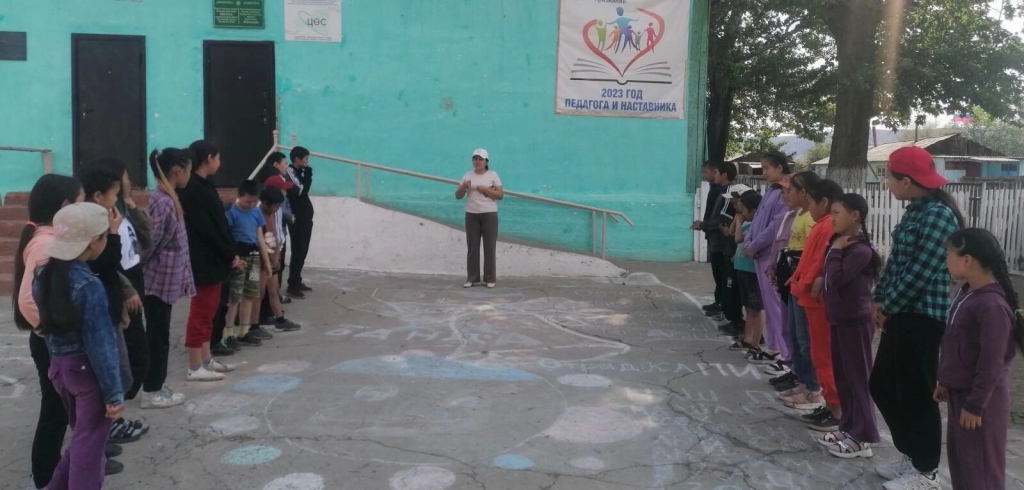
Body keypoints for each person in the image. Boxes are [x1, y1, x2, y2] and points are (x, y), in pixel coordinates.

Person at [870, 146, 964, 490]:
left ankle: (926, 470)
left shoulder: (938, 215)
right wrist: (878, 299)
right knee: (882, 386)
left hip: (923, 317)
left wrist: (889, 306)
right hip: (901, 313)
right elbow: (896, 263)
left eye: (889, 177)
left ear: (906, 181)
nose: (888, 183)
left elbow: (921, 272)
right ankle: (912, 453)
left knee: (917, 393)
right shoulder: (915, 211)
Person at [11, 175, 106, 488]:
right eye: (81, 200)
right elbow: (28, 300)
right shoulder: (45, 244)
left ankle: (74, 462)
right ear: (66, 206)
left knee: (67, 412)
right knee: (55, 412)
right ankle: (45, 475)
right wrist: (53, 330)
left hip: (55, 340)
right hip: (53, 342)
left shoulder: (53, 240)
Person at [33, 202, 128, 490]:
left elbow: (47, 328)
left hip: (61, 370)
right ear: (94, 241)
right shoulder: (88, 285)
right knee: (89, 449)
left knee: (84, 439)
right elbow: (100, 344)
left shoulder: (43, 276)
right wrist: (114, 393)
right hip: (87, 374)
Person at [935, 228, 1022, 490]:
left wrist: (975, 405)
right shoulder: (966, 293)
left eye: (949, 253)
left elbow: (991, 364)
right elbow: (956, 342)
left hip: (981, 404)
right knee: (962, 467)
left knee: (981, 473)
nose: (946, 259)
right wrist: (945, 381)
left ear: (967, 259)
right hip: (960, 395)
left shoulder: (992, 305)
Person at [79, 160, 152, 446]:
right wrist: (111, 235)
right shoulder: (95, 225)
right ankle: (106, 428)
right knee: (112, 367)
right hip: (107, 300)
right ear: (99, 195)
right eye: (115, 189)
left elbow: (143, 239)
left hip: (118, 293)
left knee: (129, 360)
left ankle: (112, 419)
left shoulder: (116, 213)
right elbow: (104, 264)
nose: (121, 191)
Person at [820, 193, 882, 459]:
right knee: (843, 377)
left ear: (855, 216)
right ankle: (849, 427)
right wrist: (834, 249)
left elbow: (835, 279)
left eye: (836, 213)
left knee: (858, 379)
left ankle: (863, 437)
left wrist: (835, 251)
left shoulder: (860, 251)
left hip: (855, 321)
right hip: (839, 318)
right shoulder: (842, 245)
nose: (832, 218)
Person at [178, 140, 241, 376]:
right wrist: (228, 252)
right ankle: (195, 365)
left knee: (211, 311)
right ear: (209, 158)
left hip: (216, 258)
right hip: (203, 258)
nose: (220, 163)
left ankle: (206, 358)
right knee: (202, 311)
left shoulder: (205, 185)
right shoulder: (192, 189)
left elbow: (220, 223)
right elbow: (207, 229)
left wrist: (231, 252)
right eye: (218, 158)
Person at [784, 179, 843, 428]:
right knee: (815, 352)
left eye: (810, 202)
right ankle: (829, 405)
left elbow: (820, 262)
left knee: (823, 354)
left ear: (824, 202)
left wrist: (804, 282)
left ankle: (835, 409)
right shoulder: (821, 224)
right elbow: (809, 259)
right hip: (806, 295)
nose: (807, 207)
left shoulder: (828, 226)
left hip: (815, 298)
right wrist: (797, 278)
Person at [141, 148, 195, 409]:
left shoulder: (169, 198)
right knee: (157, 337)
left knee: (159, 334)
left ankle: (157, 385)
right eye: (188, 170)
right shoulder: (163, 202)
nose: (189, 175)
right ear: (177, 170)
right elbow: (150, 244)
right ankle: (151, 390)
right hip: (157, 281)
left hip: (165, 280)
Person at [770, 171, 822, 395]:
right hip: (794, 277)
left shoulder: (811, 218)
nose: (787, 194)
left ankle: (812, 386)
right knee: (795, 333)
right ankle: (801, 379)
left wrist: (803, 277)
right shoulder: (798, 214)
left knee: (804, 337)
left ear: (804, 192)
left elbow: (813, 254)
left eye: (790, 190)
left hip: (803, 280)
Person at [742, 151, 792, 365]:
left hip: (771, 255)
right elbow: (757, 221)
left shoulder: (784, 192)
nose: (764, 172)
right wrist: (748, 242)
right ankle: (772, 347)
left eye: (766, 168)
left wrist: (755, 245)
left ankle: (781, 351)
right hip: (759, 254)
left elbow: (775, 226)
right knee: (769, 306)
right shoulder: (772, 190)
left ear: (780, 167)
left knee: (775, 306)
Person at [694, 161, 743, 331]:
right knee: (718, 273)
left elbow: (723, 218)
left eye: (715, 172)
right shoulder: (717, 190)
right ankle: (720, 302)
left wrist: (704, 225)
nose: (712, 176)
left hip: (724, 242)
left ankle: (728, 311)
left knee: (725, 276)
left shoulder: (729, 193)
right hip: (716, 239)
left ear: (723, 175)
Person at [224, 180, 273, 347]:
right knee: (234, 297)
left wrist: (266, 262)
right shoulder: (231, 213)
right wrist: (233, 258)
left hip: (253, 257)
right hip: (238, 259)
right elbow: (228, 238)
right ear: (239, 196)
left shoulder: (256, 212)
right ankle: (228, 333)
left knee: (250, 294)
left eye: (254, 201)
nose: (251, 205)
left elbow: (260, 237)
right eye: (247, 201)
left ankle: (244, 331)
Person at [455, 148, 504, 288]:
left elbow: (500, 195)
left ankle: (490, 278)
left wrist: (486, 190)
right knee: (472, 247)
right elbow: (458, 196)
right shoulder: (467, 175)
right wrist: (464, 186)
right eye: (475, 159)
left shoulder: (493, 175)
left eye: (480, 159)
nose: (477, 162)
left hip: (489, 213)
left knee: (489, 247)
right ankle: (472, 278)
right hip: (471, 214)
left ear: (486, 161)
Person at [257, 186, 302, 332]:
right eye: (275, 206)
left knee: (274, 291)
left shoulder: (273, 213)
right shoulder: (258, 215)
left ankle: (280, 320)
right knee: (258, 294)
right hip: (261, 261)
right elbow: (261, 241)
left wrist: (276, 257)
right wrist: (267, 260)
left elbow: (275, 237)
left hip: (272, 260)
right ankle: (252, 325)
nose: (277, 209)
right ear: (265, 203)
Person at [729, 191, 764, 354]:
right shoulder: (747, 224)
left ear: (754, 211)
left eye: (743, 210)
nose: (741, 213)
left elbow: (737, 238)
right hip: (742, 268)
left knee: (756, 308)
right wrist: (738, 220)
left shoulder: (756, 226)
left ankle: (757, 341)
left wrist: (738, 221)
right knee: (748, 307)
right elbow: (733, 235)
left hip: (752, 271)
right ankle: (748, 338)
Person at [284, 146, 314, 299]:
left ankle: (297, 280)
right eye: (305, 159)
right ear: (297, 159)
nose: (307, 161)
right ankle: (292, 285)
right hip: (297, 219)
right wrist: (308, 174)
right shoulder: (290, 172)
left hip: (306, 219)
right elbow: (302, 190)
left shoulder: (299, 173)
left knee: (303, 251)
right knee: (298, 250)